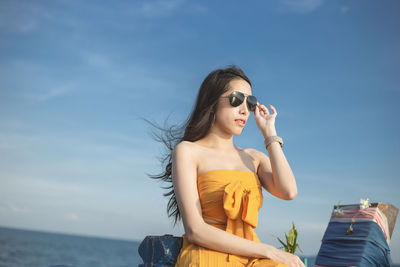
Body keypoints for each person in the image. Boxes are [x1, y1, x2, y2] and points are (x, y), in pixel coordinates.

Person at [151, 66, 305, 267]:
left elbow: (288, 191)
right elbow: (195, 230)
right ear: (212, 103)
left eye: (250, 103)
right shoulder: (188, 151)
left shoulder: (253, 157)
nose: (244, 110)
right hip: (208, 255)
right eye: (236, 100)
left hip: (252, 258)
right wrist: (270, 251)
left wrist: (269, 134)